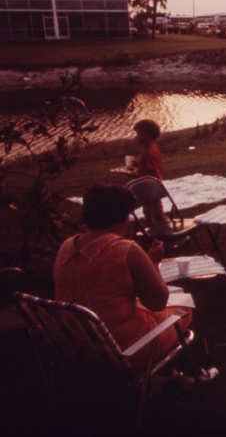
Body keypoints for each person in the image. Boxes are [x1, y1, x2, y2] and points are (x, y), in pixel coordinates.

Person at [53, 184, 192, 372]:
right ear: (123, 216)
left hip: (77, 343)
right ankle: (177, 376)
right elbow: (157, 301)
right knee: (184, 309)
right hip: (124, 348)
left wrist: (147, 262)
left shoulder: (67, 246)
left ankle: (162, 378)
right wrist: (154, 263)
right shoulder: (126, 249)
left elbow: (101, 284)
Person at [126, 119, 170, 236]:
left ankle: (164, 235)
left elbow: (150, 171)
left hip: (149, 188)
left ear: (147, 135)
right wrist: (136, 164)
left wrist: (134, 173)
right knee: (149, 212)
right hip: (149, 187)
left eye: (138, 134)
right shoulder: (149, 148)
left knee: (156, 213)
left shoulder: (149, 151)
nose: (136, 138)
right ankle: (155, 234)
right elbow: (146, 166)